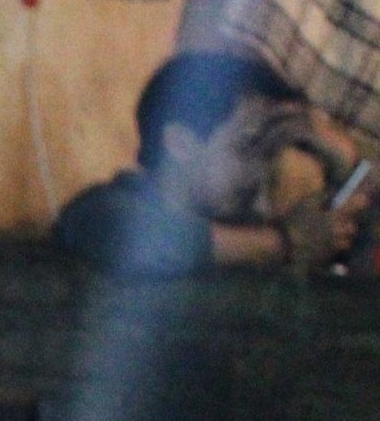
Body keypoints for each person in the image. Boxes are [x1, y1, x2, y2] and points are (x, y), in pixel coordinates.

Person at [56, 51, 368, 277]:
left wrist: (343, 163)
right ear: (181, 143)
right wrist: (285, 241)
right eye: (246, 148)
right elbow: (136, 237)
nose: (260, 172)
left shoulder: (246, 230)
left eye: (270, 151)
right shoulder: (100, 212)